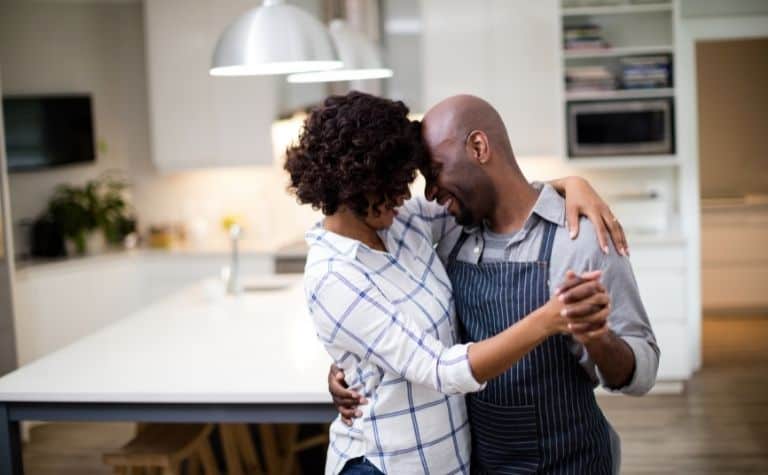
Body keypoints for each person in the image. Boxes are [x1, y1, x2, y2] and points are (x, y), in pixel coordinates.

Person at [330, 94, 660, 474]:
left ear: (478, 147)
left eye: (435, 172)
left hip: (569, 463)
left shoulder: (579, 238)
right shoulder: (453, 231)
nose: (430, 193)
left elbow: (643, 373)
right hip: (481, 464)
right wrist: (353, 362)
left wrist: (600, 340)